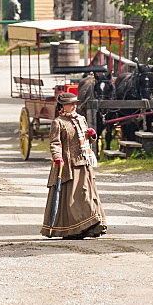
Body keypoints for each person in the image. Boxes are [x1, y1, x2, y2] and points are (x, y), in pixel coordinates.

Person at [41, 92, 107, 239]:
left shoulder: (81, 119)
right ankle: (75, 228)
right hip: (69, 166)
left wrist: (91, 136)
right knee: (74, 198)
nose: (74, 106)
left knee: (88, 194)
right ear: (63, 106)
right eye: (71, 104)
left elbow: (85, 141)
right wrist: (57, 157)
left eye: (75, 103)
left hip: (84, 162)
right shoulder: (58, 122)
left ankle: (93, 223)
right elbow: (55, 143)